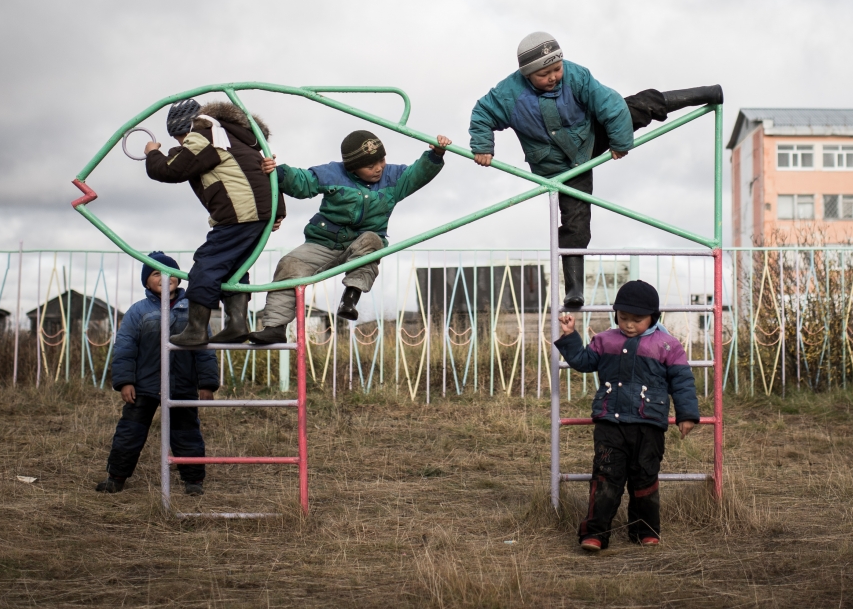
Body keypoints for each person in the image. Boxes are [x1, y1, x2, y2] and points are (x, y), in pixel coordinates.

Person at [469, 31, 722, 308]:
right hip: (560, 169)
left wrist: (620, 140)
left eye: (556, 68)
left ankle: (704, 95)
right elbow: (482, 114)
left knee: (637, 105)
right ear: (527, 75)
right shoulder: (509, 94)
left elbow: (610, 105)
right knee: (575, 221)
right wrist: (483, 146)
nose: (553, 77)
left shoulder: (576, 77)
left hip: (591, 137)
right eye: (544, 74)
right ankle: (574, 289)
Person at [246, 130, 452, 343]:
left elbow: (417, 174)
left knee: (373, 241)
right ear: (352, 168)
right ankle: (275, 327)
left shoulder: (393, 177)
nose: (379, 168)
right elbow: (304, 181)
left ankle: (350, 298)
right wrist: (279, 173)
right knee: (289, 264)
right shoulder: (333, 173)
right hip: (324, 241)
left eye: (381, 160)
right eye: (370, 166)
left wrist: (436, 154)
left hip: (361, 243)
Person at [554, 280, 699, 552]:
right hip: (610, 423)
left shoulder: (667, 346)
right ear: (615, 314)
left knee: (645, 478)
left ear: (654, 318)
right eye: (624, 318)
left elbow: (682, 381)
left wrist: (687, 414)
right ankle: (595, 533)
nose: (629, 325)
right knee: (605, 477)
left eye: (637, 319)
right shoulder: (605, 340)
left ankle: (645, 531)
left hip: (649, 425)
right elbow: (583, 362)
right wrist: (570, 336)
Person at [144, 99, 286, 346]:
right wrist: (277, 212)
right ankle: (237, 324)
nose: (181, 143)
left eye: (179, 137)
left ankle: (196, 328)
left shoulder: (204, 134)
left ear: (186, 128)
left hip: (238, 214)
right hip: (257, 212)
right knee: (234, 268)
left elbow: (172, 170)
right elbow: (261, 174)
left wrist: (152, 153)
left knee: (207, 263)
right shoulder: (235, 138)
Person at [97, 252, 219, 495]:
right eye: (156, 273)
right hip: (144, 386)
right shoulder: (138, 311)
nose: (165, 277)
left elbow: (204, 349)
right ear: (146, 282)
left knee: (187, 434)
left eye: (170, 272)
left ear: (179, 278)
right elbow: (125, 347)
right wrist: (125, 382)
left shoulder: (193, 310)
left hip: (182, 385)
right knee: (130, 432)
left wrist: (207, 383)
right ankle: (116, 477)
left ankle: (193, 480)